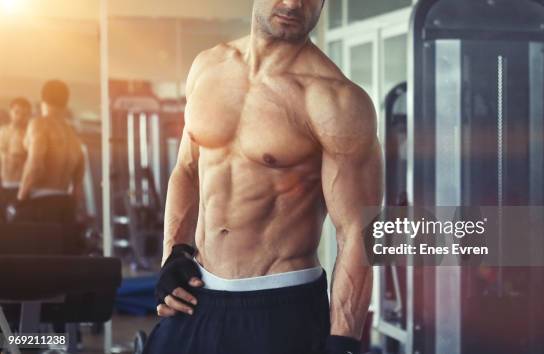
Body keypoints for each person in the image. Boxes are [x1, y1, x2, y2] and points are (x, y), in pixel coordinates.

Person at [144, 1, 383, 354]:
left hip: (281, 308)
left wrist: (343, 341)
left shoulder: (336, 100)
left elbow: (356, 233)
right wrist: (174, 254)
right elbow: (188, 168)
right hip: (198, 294)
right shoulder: (207, 67)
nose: (292, 3)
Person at [11, 80, 85, 224]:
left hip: (41, 203)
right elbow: (78, 183)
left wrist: (19, 200)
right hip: (66, 205)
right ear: (65, 103)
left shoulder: (39, 124)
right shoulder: (73, 134)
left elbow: (35, 165)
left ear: (43, 100)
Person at [0, 98, 31, 222]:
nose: (20, 117)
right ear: (11, 112)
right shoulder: (2, 132)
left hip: (22, 188)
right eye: (16, 112)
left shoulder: (31, 134)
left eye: (24, 114)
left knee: (19, 225)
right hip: (3, 185)